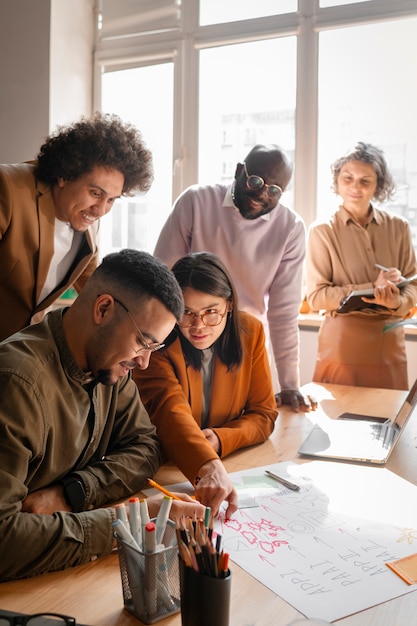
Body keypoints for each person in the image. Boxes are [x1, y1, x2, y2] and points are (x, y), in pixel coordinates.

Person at [0, 249, 206, 582]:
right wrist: (128, 521)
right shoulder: (16, 383)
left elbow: (145, 447)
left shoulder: (109, 367)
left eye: (153, 350)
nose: (143, 363)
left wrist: (75, 491)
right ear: (103, 309)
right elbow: (3, 540)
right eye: (142, 342)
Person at [154, 144, 316, 412]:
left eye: (274, 190)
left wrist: (289, 384)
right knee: (180, 419)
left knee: (246, 426)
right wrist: (152, 345)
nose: (262, 194)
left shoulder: (291, 228)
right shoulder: (196, 201)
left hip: (244, 343)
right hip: (190, 332)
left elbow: (284, 312)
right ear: (240, 171)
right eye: (256, 181)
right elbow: (163, 277)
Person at [134, 252, 278, 518]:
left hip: (231, 465)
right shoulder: (158, 342)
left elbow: (264, 414)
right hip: (166, 469)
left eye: (211, 312)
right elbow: (170, 411)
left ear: (229, 306)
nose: (198, 326)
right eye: (186, 313)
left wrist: (222, 439)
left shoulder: (251, 332)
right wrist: (208, 464)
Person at [0, 112, 153, 342]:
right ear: (64, 175)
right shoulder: (8, 188)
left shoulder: (87, 221)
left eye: (111, 199)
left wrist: (138, 322)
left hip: (19, 348)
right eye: (95, 193)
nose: (101, 210)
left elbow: (95, 286)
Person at [305, 141, 417, 390]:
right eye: (348, 178)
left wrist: (396, 301)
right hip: (341, 347)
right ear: (337, 180)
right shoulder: (322, 230)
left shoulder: (399, 227)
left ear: (379, 185)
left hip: (388, 344)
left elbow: (414, 285)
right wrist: (372, 287)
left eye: (365, 181)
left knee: (390, 423)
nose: (355, 187)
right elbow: (316, 297)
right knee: (337, 425)